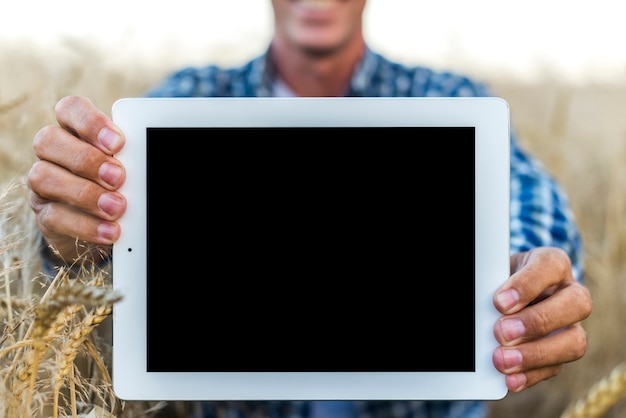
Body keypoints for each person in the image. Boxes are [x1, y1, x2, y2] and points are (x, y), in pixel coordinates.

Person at [27, 1, 592, 417]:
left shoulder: (447, 101)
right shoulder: (189, 102)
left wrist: (528, 278)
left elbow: (531, 206)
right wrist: (70, 238)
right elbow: (94, 247)